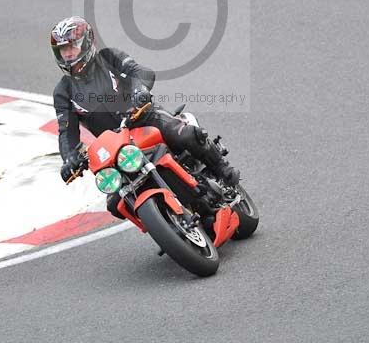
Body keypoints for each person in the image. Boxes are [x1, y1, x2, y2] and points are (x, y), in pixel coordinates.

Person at [51, 16, 240, 217]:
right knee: (115, 203)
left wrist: (139, 89)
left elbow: (140, 71)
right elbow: (66, 132)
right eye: (63, 50)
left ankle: (222, 170)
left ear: (87, 43)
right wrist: (69, 159)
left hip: (144, 117)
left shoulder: (108, 57)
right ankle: (166, 222)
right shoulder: (63, 91)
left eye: (72, 47)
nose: (68, 54)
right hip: (116, 146)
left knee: (183, 135)